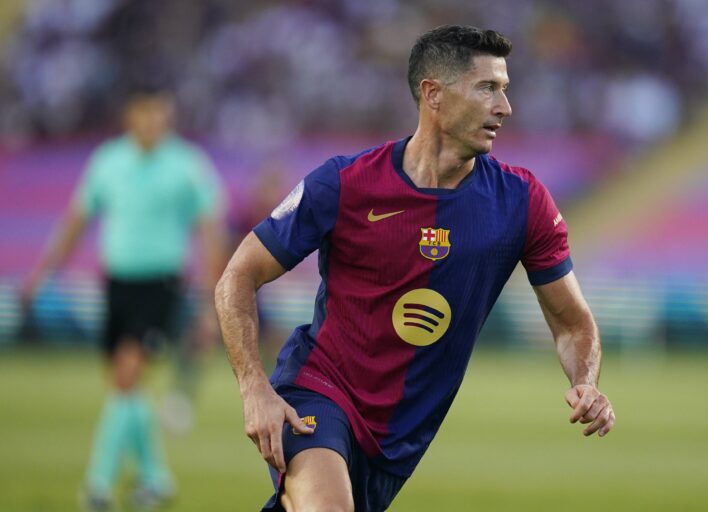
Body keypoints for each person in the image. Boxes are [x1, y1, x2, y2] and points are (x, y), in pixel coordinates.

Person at [215, 25, 615, 512]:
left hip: (400, 438)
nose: (505, 107)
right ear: (434, 95)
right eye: (488, 87)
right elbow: (237, 276)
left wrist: (586, 381)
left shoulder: (522, 202)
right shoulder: (344, 183)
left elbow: (573, 324)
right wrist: (254, 388)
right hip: (318, 391)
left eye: (505, 89)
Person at [22, 88, 226, 511]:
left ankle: (97, 487)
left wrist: (212, 299)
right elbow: (77, 220)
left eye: (160, 112)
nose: (153, 120)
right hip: (115, 285)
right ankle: (156, 479)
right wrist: (41, 275)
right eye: (145, 111)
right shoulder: (107, 161)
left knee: (126, 378)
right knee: (125, 389)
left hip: (161, 286)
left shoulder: (187, 165)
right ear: (130, 114)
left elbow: (210, 232)